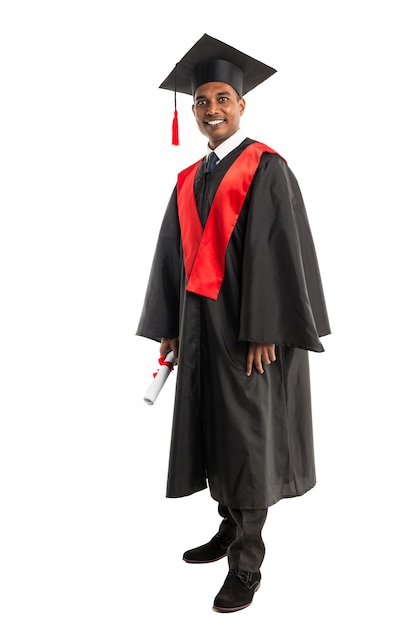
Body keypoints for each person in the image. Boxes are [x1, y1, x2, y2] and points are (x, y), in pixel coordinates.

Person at [136, 33, 331, 613]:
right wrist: (170, 325)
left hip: (252, 336)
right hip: (201, 333)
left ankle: (248, 562)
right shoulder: (189, 178)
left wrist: (267, 329)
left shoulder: (267, 168)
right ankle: (228, 530)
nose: (212, 109)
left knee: (248, 442)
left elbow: (280, 253)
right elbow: (173, 256)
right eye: (202, 101)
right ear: (192, 110)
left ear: (242, 103)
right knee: (214, 433)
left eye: (222, 97)